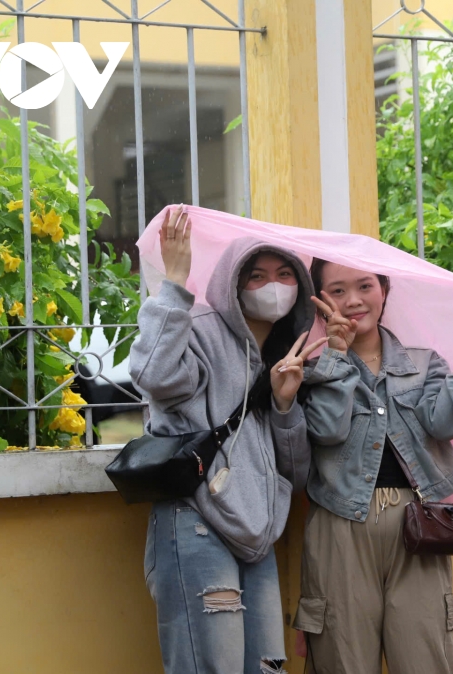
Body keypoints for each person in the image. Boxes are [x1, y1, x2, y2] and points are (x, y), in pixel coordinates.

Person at [130, 206, 323, 674]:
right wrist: (174, 285)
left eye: (283, 274)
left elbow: (296, 473)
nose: (272, 286)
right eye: (256, 276)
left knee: (265, 668)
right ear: (233, 285)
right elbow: (152, 373)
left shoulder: (287, 357)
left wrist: (283, 405)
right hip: (197, 524)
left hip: (256, 536)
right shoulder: (198, 332)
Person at [293, 258, 453, 673]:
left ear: (384, 289)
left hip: (419, 525)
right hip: (340, 524)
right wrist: (335, 354)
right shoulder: (315, 368)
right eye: (337, 290)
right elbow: (327, 430)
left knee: (425, 654)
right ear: (319, 301)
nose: (353, 301)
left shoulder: (423, 363)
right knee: (341, 657)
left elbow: (446, 423)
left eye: (365, 286)